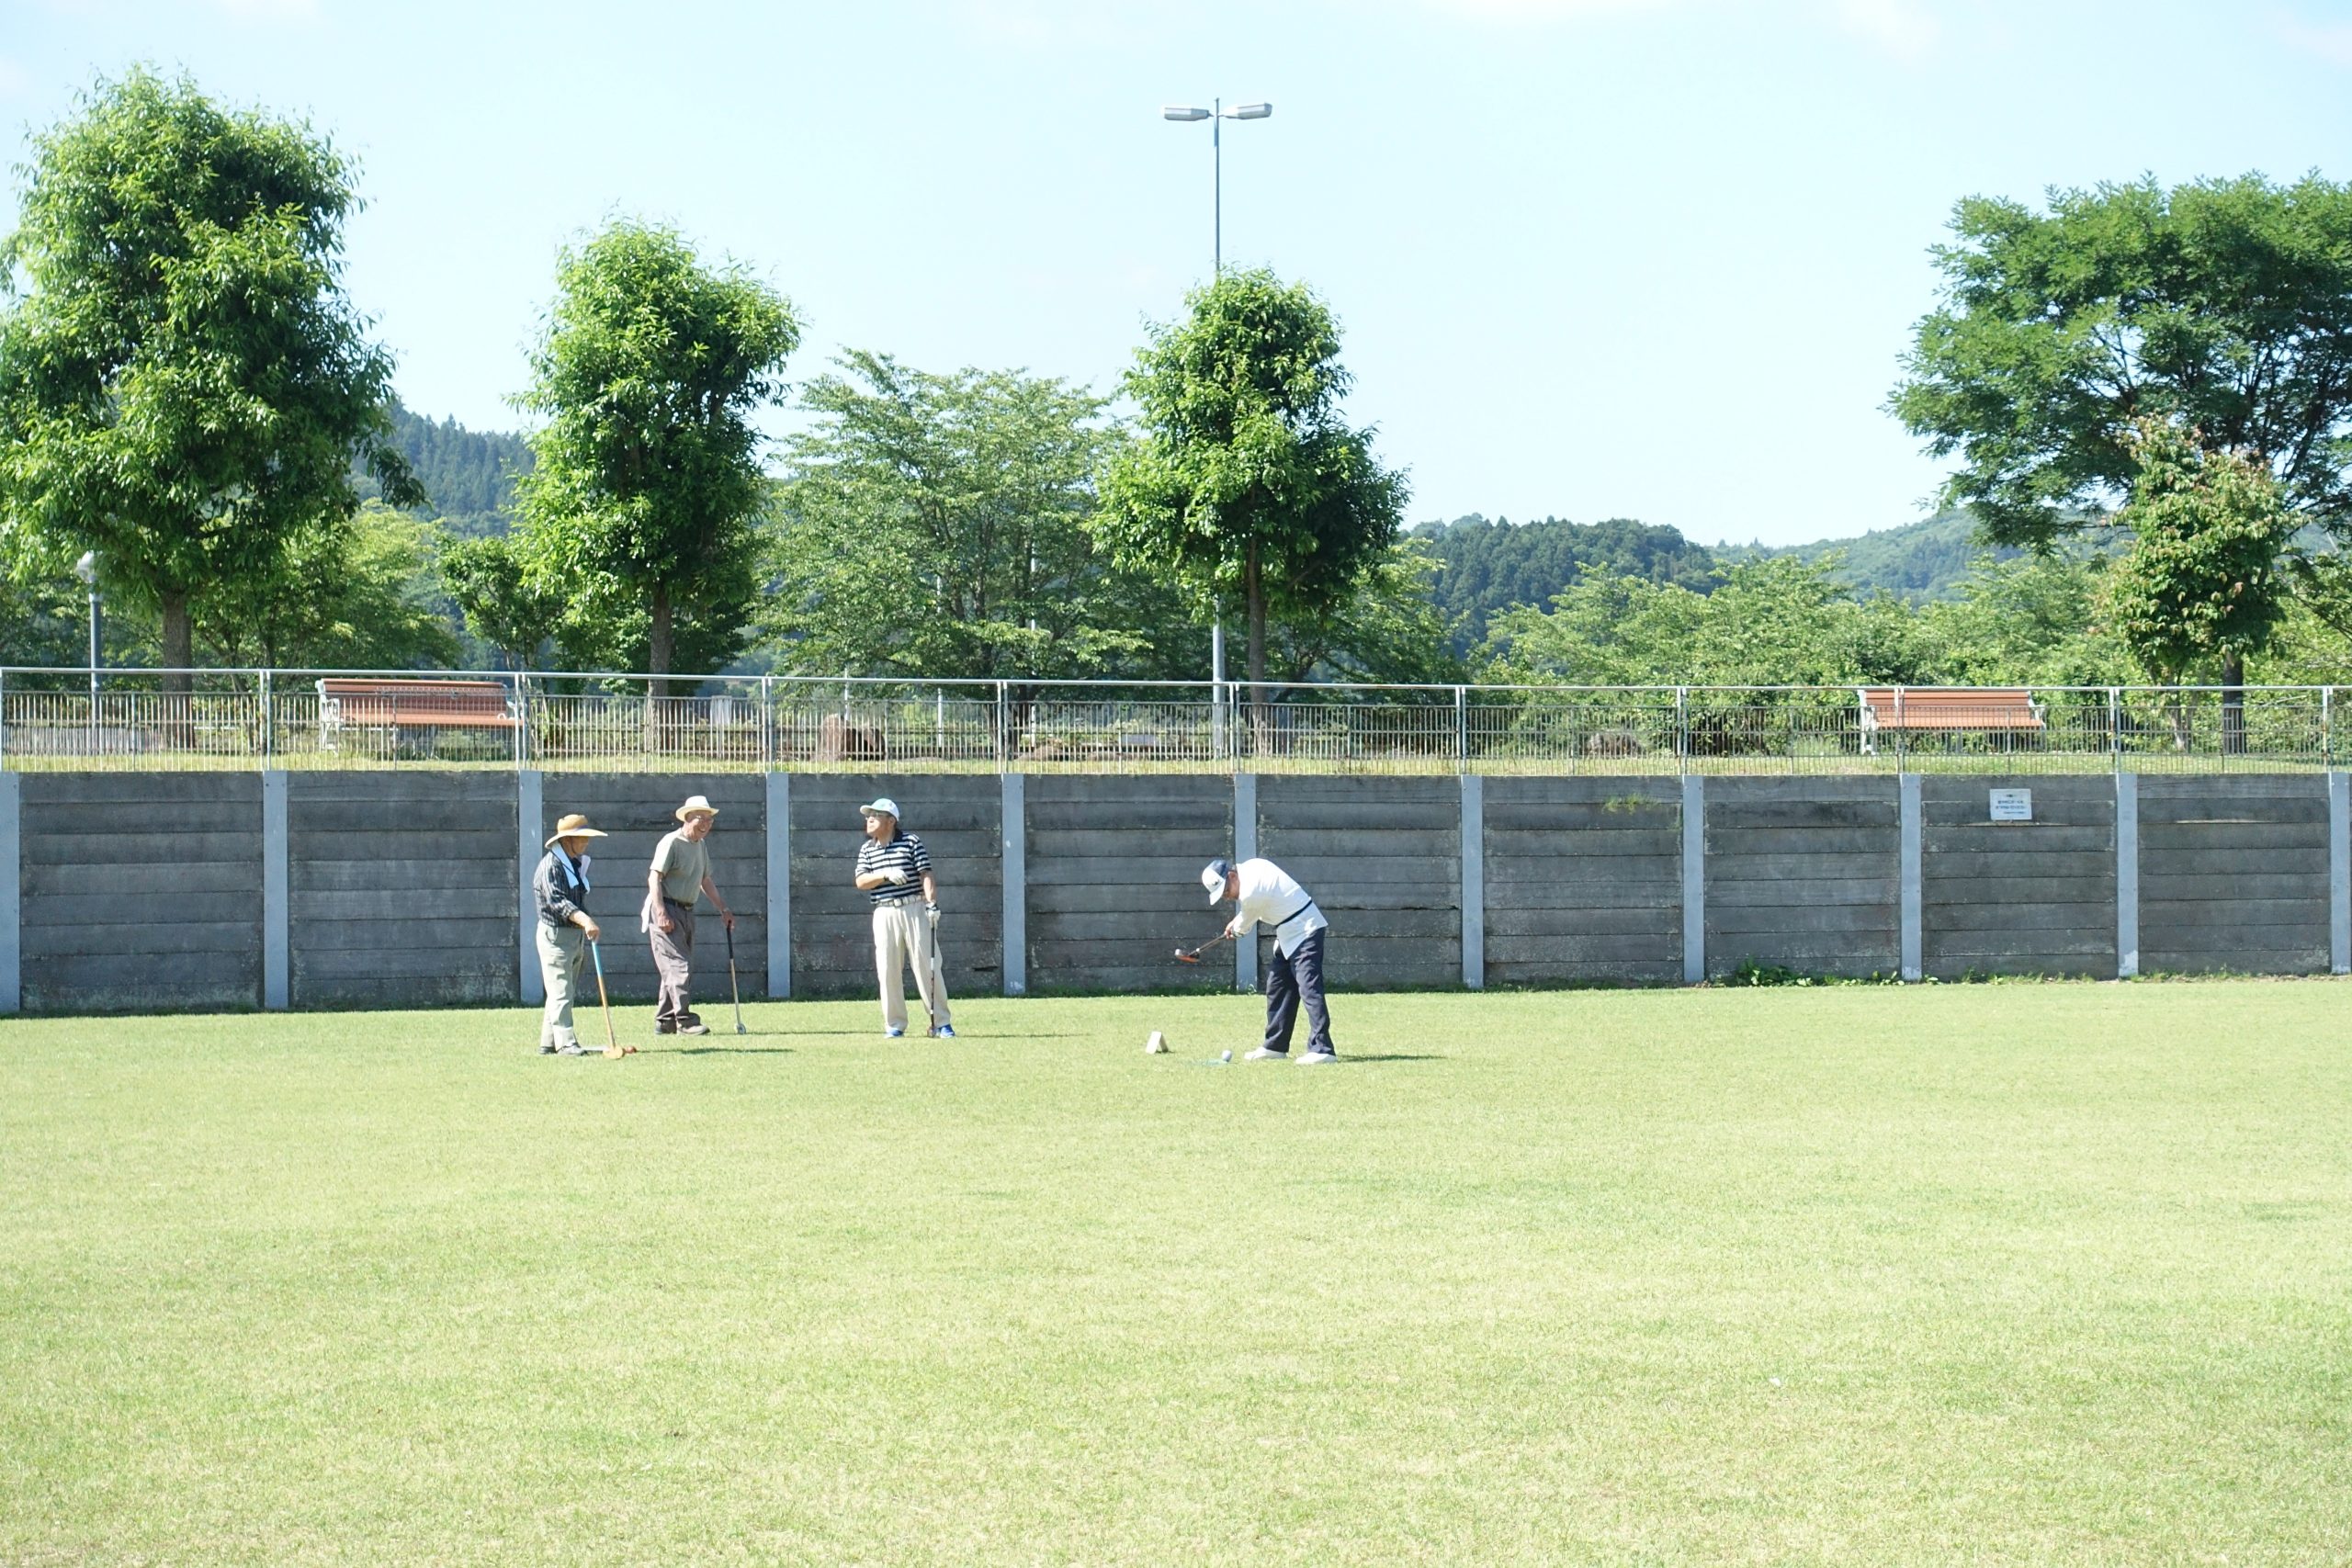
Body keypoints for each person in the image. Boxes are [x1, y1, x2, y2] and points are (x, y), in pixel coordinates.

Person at [1204, 855, 1338, 1065]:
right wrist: (1237, 922)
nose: (1227, 897)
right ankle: (1275, 1046)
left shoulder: (1250, 893)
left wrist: (1236, 929)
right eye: (1222, 895)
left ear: (1232, 876)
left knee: (1309, 988)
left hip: (1306, 929)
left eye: (1226, 891)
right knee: (1277, 986)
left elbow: (1244, 925)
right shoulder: (1252, 866)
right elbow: (1253, 910)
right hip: (1287, 932)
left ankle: (1323, 1049)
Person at [854, 796, 953, 1039]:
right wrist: (885, 874)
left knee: (927, 966)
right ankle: (895, 1024)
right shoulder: (867, 849)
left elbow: (925, 874)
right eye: (868, 816)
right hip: (884, 911)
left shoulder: (910, 842)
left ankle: (941, 1022)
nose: (869, 820)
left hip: (914, 907)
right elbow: (861, 881)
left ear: (891, 820)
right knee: (887, 969)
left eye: (875, 816)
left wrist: (931, 904)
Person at [642, 794, 735, 1037]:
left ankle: (665, 1021)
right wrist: (661, 913)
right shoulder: (671, 842)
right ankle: (685, 1021)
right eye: (700, 818)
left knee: (675, 968)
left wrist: (723, 909)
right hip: (666, 908)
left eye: (709, 819)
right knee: (678, 966)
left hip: (686, 910)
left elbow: (705, 880)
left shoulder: (700, 845)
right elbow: (654, 878)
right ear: (687, 818)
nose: (706, 824)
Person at [533, 813, 606, 1055]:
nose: (586, 842)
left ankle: (548, 1042)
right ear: (566, 840)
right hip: (555, 937)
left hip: (573, 936)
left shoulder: (574, 863)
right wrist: (585, 920)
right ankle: (566, 1043)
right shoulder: (551, 866)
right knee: (561, 992)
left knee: (562, 991)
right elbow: (558, 902)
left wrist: (585, 922)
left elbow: (578, 899)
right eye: (581, 837)